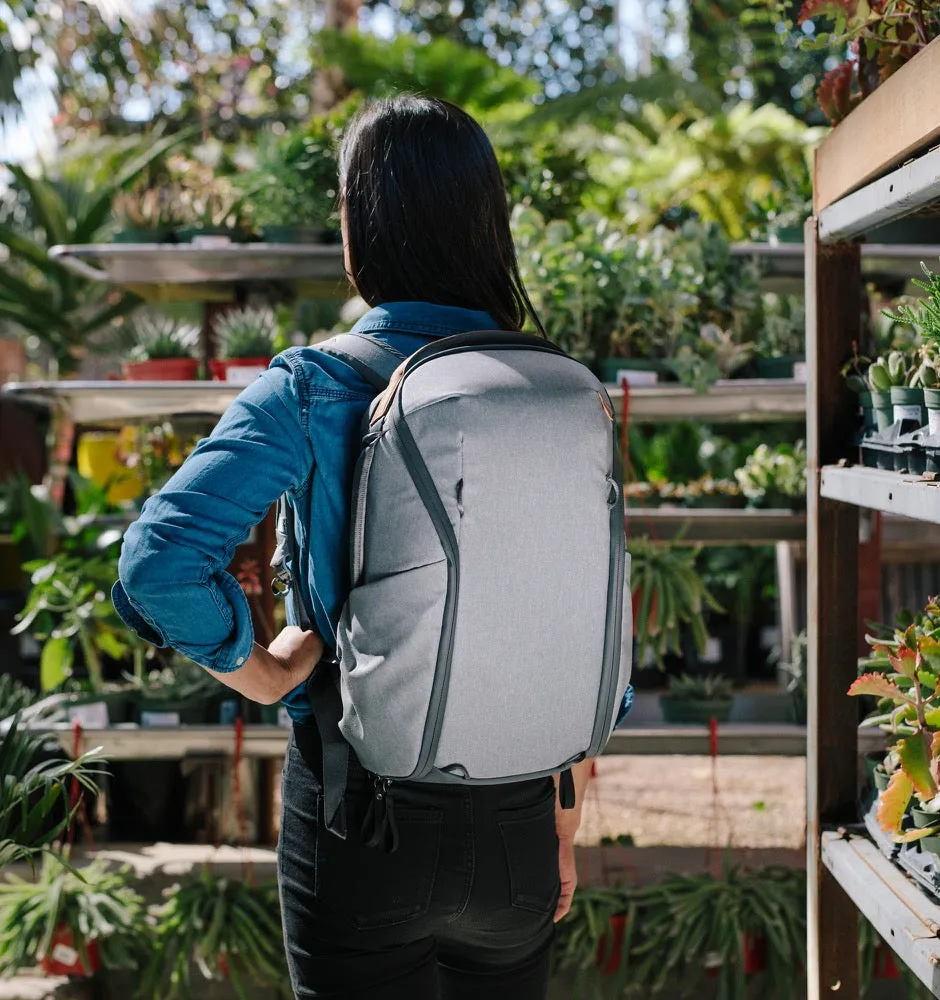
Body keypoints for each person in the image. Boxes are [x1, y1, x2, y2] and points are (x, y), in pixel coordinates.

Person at [113, 95, 594, 1000]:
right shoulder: (556, 390)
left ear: (361, 224)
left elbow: (159, 562)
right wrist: (563, 827)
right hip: (522, 826)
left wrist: (258, 670)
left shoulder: (313, 385)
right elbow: (577, 612)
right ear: (487, 223)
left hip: (359, 816)